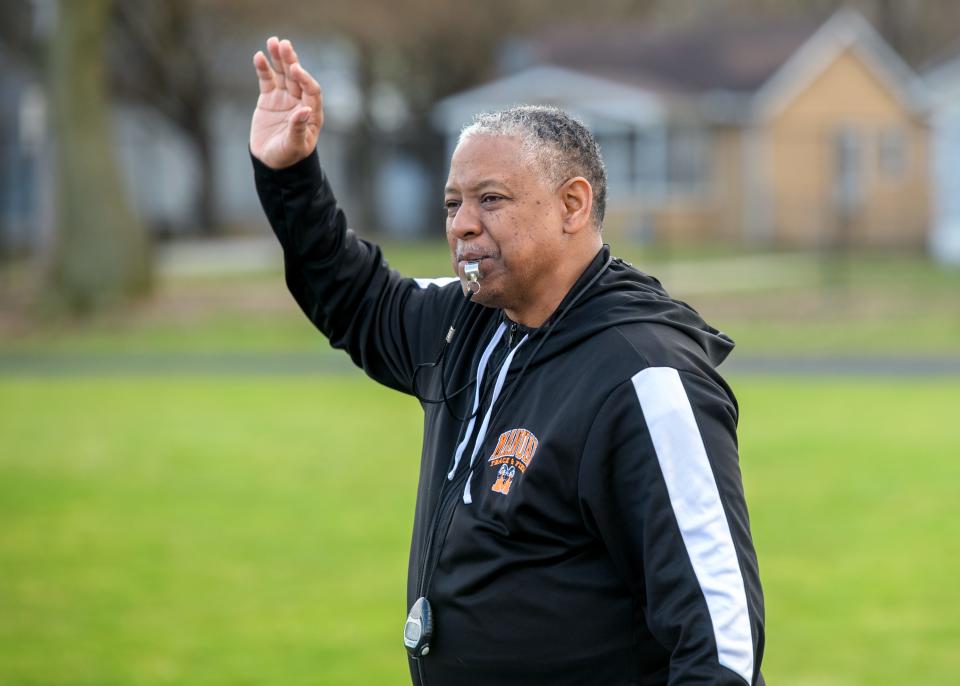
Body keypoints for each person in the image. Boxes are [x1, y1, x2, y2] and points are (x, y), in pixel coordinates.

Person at [250, 36, 765, 686]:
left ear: (572, 206)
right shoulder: (470, 319)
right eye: (451, 203)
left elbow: (718, 638)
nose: (462, 224)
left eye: (490, 200)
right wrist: (289, 175)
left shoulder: (646, 373)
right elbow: (355, 299)